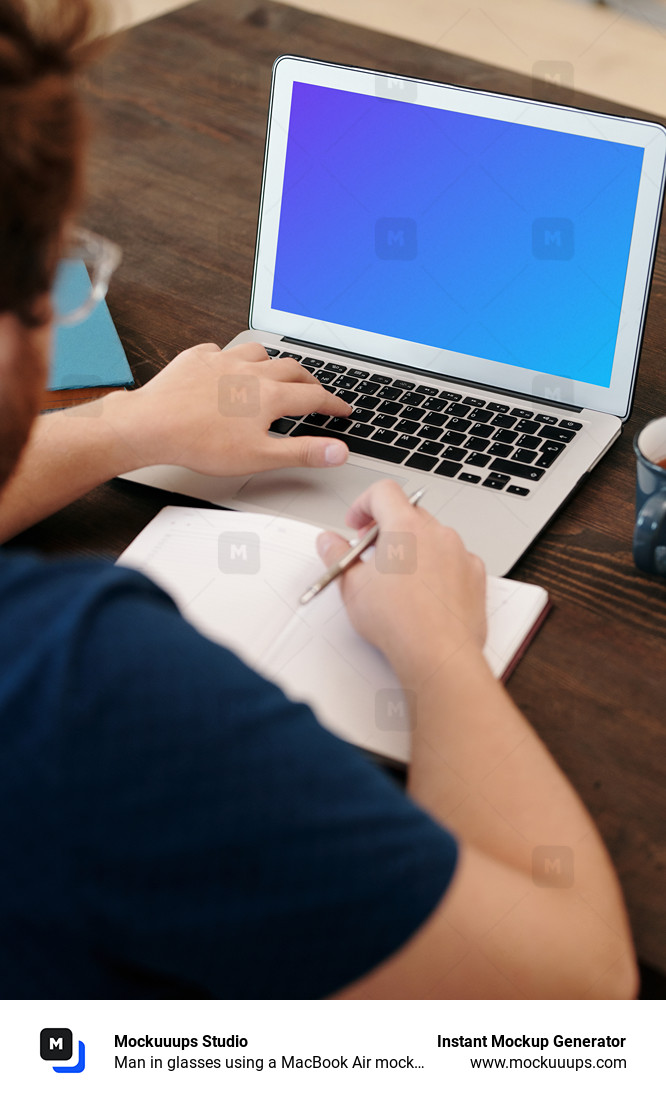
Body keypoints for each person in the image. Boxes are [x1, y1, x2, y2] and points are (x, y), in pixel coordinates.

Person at [0, 0, 638, 999]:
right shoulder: (87, 692)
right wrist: (437, 652)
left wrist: (132, 426)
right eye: (57, 270)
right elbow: (574, 994)